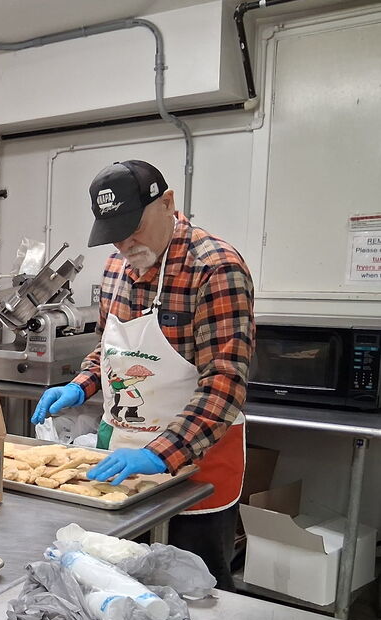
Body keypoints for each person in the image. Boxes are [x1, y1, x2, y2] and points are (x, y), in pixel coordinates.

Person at [32, 160, 254, 590]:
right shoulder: (117, 269)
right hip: (122, 465)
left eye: (133, 228)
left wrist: (160, 454)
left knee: (195, 591)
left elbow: (224, 384)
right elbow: (110, 350)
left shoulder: (215, 268)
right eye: (114, 235)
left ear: (167, 203)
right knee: (120, 586)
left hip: (194, 469)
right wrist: (80, 385)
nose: (125, 244)